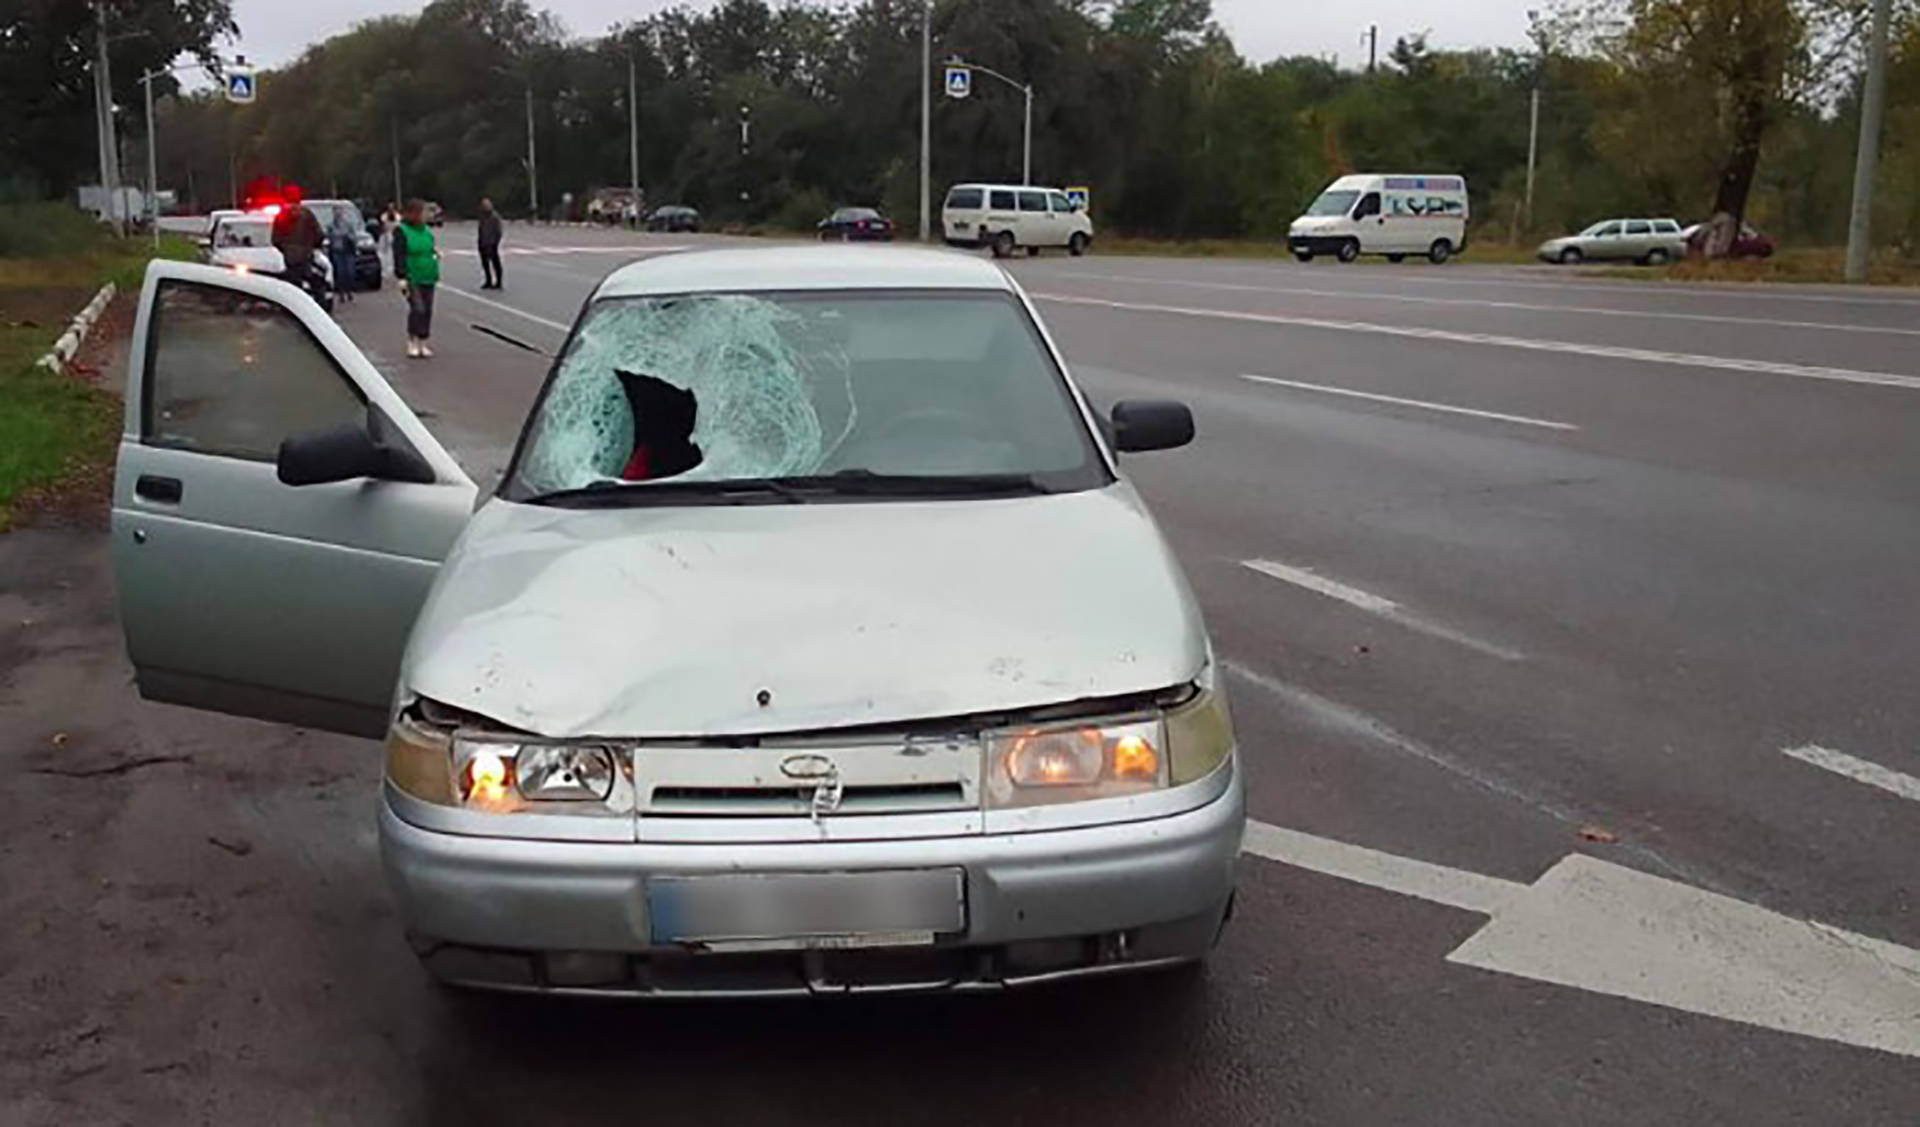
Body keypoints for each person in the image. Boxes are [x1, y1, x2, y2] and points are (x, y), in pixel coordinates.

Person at [391, 198, 441, 359]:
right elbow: (399, 254)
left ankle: (423, 341)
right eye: (423, 212)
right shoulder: (402, 231)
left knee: (427, 310)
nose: (426, 215)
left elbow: (430, 246)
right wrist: (401, 276)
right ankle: (412, 340)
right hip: (412, 275)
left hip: (428, 274)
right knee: (417, 308)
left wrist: (435, 254)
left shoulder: (426, 231)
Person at [270, 185, 324, 295]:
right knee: (314, 279)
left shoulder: (281, 216)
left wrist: (285, 249)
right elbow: (319, 234)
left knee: (292, 286)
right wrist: (312, 246)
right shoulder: (307, 214)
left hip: (289, 258)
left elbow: (275, 239)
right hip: (306, 256)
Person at [325, 209, 357, 304]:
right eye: (335, 212)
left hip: (348, 251)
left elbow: (353, 236)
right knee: (340, 272)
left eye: (339, 211)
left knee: (350, 272)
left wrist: (348, 237)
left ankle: (349, 291)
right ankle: (341, 293)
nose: (338, 214)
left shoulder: (348, 224)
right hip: (337, 251)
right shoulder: (331, 226)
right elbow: (329, 237)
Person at [477, 197, 504, 290]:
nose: (485, 207)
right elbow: (480, 230)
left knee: (496, 263)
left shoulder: (495, 217)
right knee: (485, 264)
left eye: (486, 205)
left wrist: (495, 243)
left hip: (492, 244)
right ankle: (488, 280)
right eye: (483, 206)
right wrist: (479, 241)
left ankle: (499, 282)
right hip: (483, 243)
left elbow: (499, 231)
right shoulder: (482, 217)